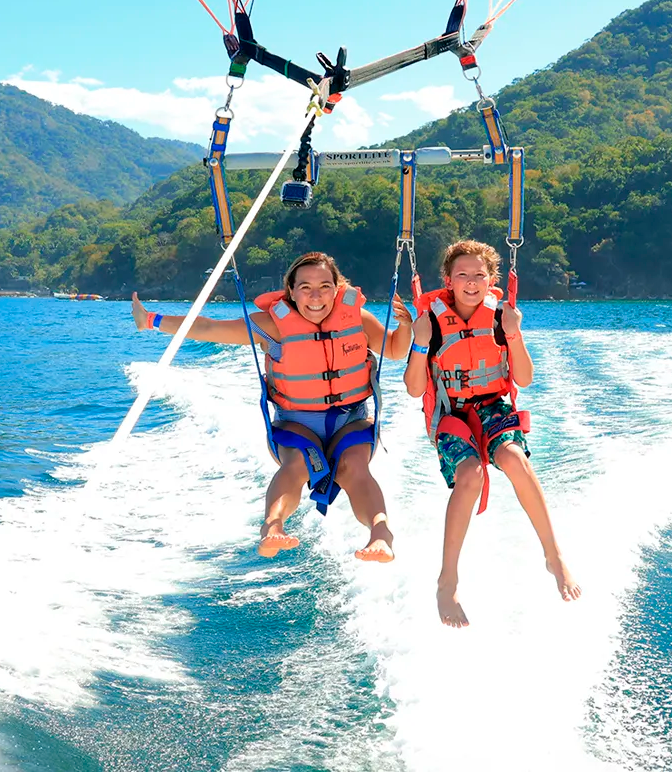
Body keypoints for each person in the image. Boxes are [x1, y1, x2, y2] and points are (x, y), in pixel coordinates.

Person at [133, 251, 411, 562]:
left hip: (351, 418)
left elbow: (396, 350)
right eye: (305, 287)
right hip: (296, 421)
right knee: (296, 465)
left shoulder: (357, 319)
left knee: (354, 467)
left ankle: (380, 533)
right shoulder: (271, 326)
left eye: (325, 286)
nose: (315, 296)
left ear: (337, 288)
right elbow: (210, 328)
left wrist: (406, 326)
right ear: (291, 291)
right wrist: (151, 321)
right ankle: (273, 527)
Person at [404, 238, 581, 627]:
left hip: (494, 407)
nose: (471, 282)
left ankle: (554, 555)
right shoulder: (429, 321)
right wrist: (419, 345)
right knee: (470, 474)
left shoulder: (502, 318)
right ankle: (447, 581)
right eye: (462, 275)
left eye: (479, 275)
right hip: (452, 414)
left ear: (491, 279)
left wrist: (514, 334)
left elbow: (525, 379)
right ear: (448, 280)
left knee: (513, 459)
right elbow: (416, 389)